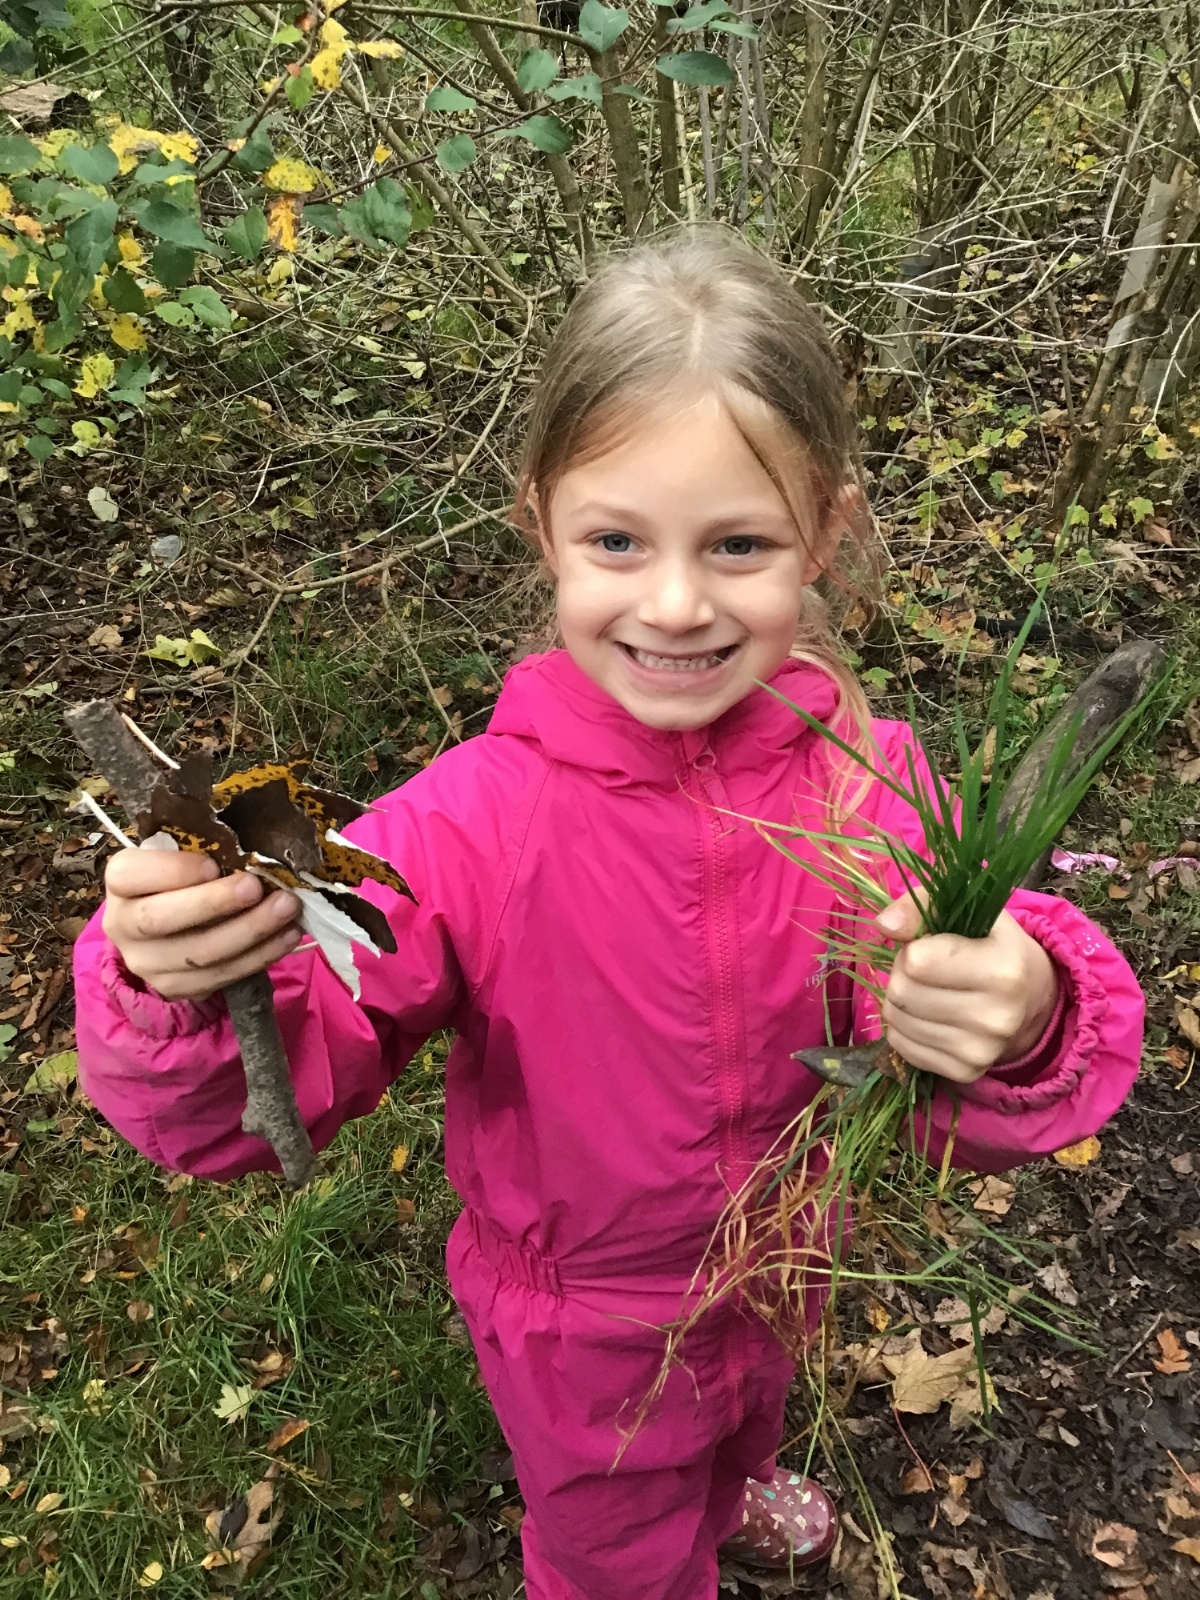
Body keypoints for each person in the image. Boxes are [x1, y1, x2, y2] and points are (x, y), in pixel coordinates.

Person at [73, 227, 1144, 1600]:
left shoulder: (870, 786)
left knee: (746, 1419)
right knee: (615, 1557)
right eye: (619, 541)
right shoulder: (463, 828)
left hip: (784, 1258)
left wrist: (1024, 1010)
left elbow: (946, 1077)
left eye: (739, 543)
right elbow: (265, 1088)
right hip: (580, 1334)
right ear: (543, 526)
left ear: (824, 533)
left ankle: (732, 1490)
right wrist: (188, 984)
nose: (677, 603)